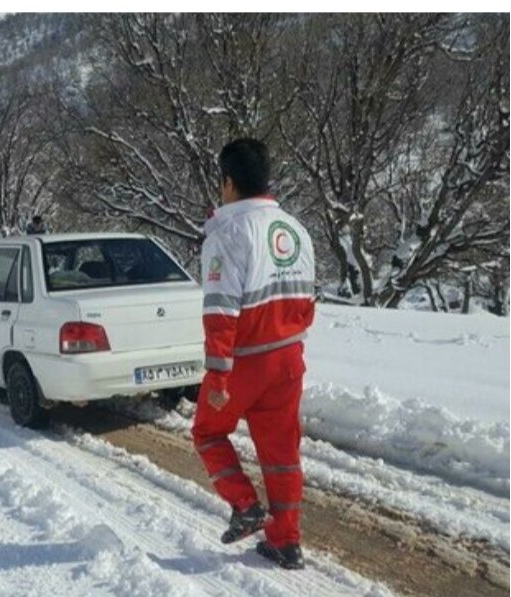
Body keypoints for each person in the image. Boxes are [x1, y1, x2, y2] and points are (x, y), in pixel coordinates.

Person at [192, 138, 315, 570]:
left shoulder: (228, 234)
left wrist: (220, 375)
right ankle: (286, 542)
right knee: (282, 455)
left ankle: (245, 505)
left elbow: (221, 311)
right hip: (288, 358)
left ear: (228, 182)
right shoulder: (294, 230)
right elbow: (306, 303)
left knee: (207, 431)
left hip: (245, 360)